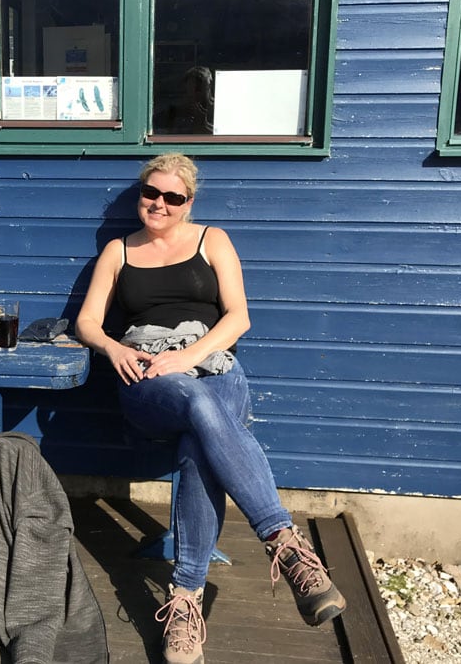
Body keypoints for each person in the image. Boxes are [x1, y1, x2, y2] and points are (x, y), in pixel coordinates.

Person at [75, 153, 345, 664]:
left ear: (188, 202)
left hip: (213, 364)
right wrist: (115, 349)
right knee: (196, 404)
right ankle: (283, 543)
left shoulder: (212, 240)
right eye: (150, 193)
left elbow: (238, 317)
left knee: (200, 444)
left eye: (172, 197)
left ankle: (186, 601)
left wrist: (190, 355)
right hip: (148, 375)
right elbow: (89, 323)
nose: (159, 204)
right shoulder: (119, 250)